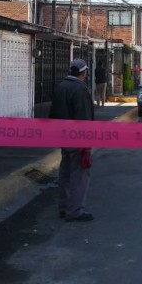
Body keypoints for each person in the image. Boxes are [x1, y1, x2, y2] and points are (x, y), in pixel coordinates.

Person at [49, 58, 95, 222]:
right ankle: (75, 210)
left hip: (63, 137)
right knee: (79, 175)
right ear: (84, 73)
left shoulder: (61, 87)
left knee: (66, 173)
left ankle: (64, 207)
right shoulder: (79, 89)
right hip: (78, 138)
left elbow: (53, 114)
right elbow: (83, 117)